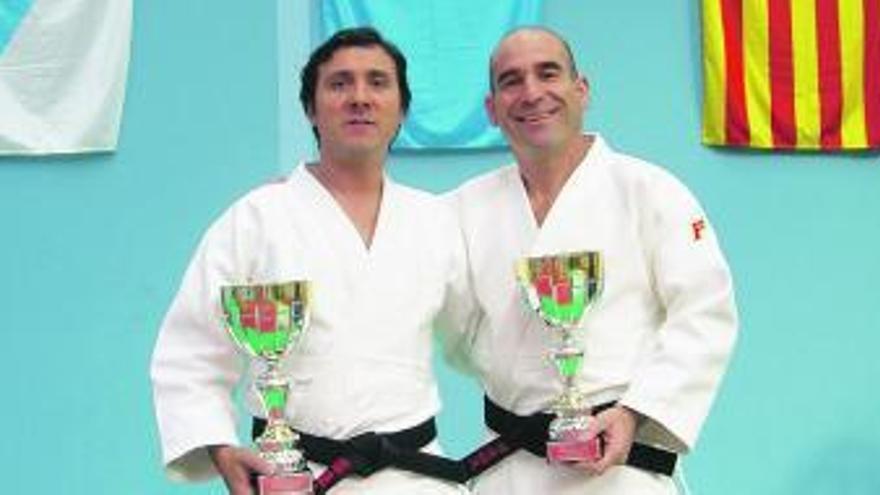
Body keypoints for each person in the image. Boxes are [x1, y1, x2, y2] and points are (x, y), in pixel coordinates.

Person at [150, 27, 471, 495]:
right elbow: (189, 353)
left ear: (401, 109)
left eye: (378, 82)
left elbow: (480, 333)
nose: (359, 97)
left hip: (416, 477)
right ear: (310, 109)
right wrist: (219, 446)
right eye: (339, 83)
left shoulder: (435, 220)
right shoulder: (257, 218)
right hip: (294, 477)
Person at [449, 27, 738, 494]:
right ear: (492, 109)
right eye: (511, 80)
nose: (532, 93)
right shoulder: (462, 209)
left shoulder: (651, 191)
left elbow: (704, 315)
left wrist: (635, 412)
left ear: (581, 90)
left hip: (619, 464)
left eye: (548, 73)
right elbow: (404, 290)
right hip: (509, 470)